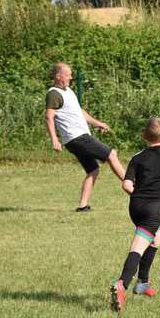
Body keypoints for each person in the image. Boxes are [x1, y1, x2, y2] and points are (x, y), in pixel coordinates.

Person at [110, 117, 160, 313]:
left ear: (144, 136)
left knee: (155, 239)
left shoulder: (137, 157)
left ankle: (143, 283)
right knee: (138, 246)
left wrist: (139, 193)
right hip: (155, 209)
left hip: (135, 206)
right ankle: (122, 283)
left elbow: (126, 184)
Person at [45, 62, 125, 211]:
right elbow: (49, 117)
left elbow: (79, 111)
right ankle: (133, 188)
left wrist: (97, 123)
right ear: (58, 76)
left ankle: (83, 206)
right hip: (77, 137)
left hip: (77, 138)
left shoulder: (68, 91)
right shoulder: (53, 94)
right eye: (68, 74)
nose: (71, 77)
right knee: (111, 154)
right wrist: (55, 139)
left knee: (93, 170)